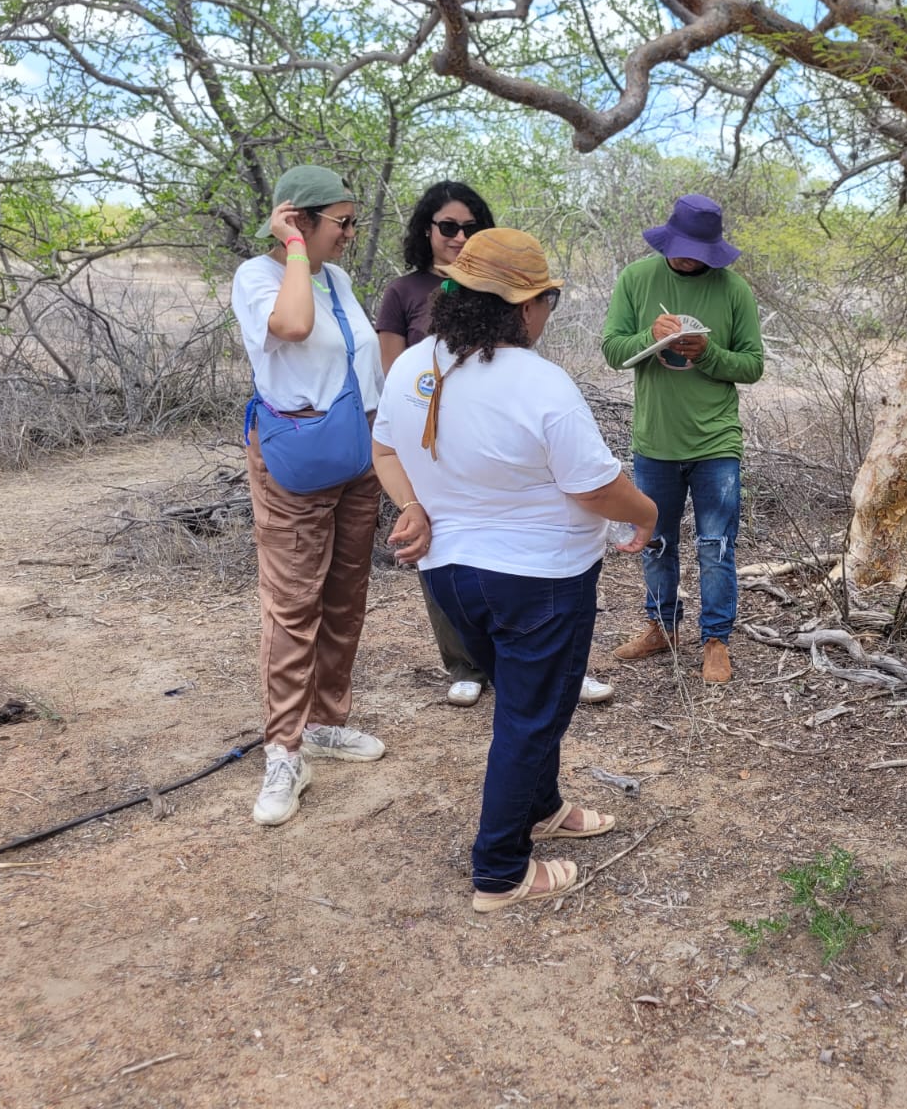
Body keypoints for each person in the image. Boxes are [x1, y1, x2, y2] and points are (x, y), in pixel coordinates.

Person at [371, 228, 657, 911]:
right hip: (539, 582)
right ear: (527, 306)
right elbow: (595, 488)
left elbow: (384, 450)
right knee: (530, 718)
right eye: (547, 302)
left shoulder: (412, 365)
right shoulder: (538, 381)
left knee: (528, 703)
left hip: (451, 577)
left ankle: (542, 807)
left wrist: (413, 505)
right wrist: (648, 513)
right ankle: (499, 872)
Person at [377, 182, 615, 709]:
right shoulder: (409, 308)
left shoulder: (523, 373)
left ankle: (540, 671)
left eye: (470, 228)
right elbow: (392, 393)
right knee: (528, 711)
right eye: (448, 227)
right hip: (442, 447)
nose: (458, 236)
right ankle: (473, 667)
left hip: (472, 503)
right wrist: (645, 514)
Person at [231, 165, 388, 827]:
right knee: (294, 604)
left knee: (345, 594)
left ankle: (325, 721)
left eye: (353, 221)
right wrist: (294, 246)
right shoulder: (259, 276)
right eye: (341, 222)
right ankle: (284, 750)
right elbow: (292, 327)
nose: (351, 233)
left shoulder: (337, 279)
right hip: (297, 456)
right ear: (299, 219)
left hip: (356, 452)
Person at [601, 194, 765, 683]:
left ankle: (716, 640)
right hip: (656, 440)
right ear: (667, 241)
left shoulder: (734, 290)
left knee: (716, 544)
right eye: (684, 249)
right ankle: (662, 627)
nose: (691, 259)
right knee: (656, 541)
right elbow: (613, 350)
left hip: (716, 441)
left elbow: (753, 365)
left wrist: (708, 353)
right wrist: (649, 339)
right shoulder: (636, 279)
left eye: (701, 252)